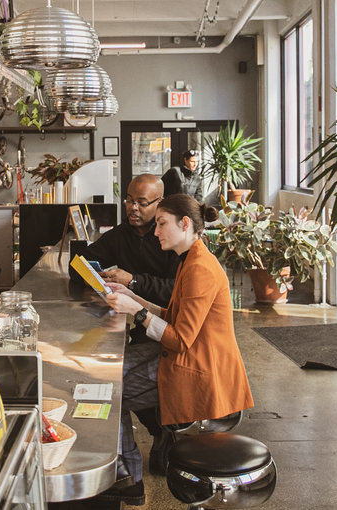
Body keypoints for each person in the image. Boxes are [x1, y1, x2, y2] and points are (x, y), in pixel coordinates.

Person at [101, 194, 254, 505]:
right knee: (108, 379)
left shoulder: (200, 268)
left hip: (200, 371)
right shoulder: (192, 258)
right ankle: (126, 472)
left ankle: (126, 476)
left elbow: (180, 339)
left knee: (108, 391)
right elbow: (174, 316)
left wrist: (136, 312)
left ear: (185, 224)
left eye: (161, 223)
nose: (155, 231)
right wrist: (135, 298)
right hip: (189, 357)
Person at [69, 174, 180, 307]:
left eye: (142, 203)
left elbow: (177, 288)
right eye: (129, 200)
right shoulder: (119, 235)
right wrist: (91, 278)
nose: (133, 207)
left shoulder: (172, 237)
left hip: (166, 315)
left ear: (160, 203)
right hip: (130, 314)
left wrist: (133, 281)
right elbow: (76, 264)